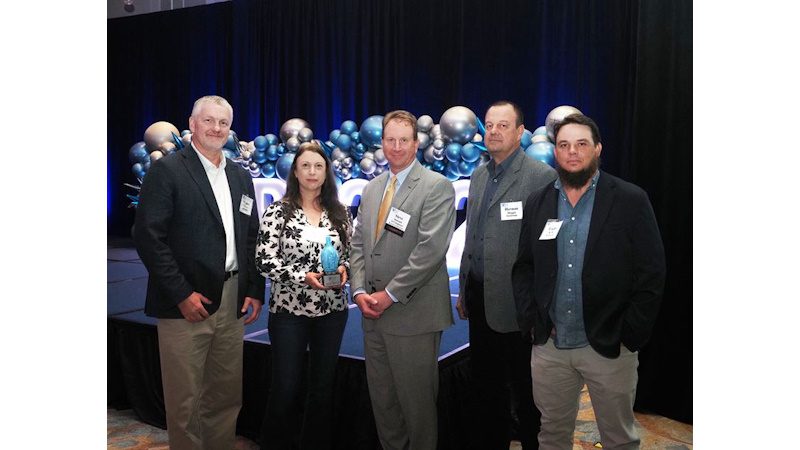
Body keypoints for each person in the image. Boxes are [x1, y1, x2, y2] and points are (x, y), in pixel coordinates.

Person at [511, 113, 666, 450]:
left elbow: (651, 272)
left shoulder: (630, 200)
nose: (572, 152)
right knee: (551, 436)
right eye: (564, 145)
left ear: (597, 148)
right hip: (550, 347)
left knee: (619, 439)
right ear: (555, 151)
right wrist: (532, 321)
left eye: (581, 144)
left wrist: (630, 333)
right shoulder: (538, 201)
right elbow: (524, 267)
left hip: (609, 346)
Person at [133, 95, 265, 450]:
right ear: (192, 124)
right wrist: (180, 294)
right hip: (186, 302)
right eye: (208, 120)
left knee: (225, 395)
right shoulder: (168, 171)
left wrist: (254, 289)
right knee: (185, 401)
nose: (216, 128)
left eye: (223, 123)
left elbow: (250, 236)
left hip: (233, 300)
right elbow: (148, 237)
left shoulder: (240, 176)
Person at [350, 110, 455, 450]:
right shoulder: (371, 189)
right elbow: (358, 245)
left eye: (404, 140)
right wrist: (359, 290)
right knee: (384, 404)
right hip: (372, 316)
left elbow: (430, 250)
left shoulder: (436, 186)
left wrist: (390, 294)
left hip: (413, 316)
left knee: (417, 408)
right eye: (390, 140)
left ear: (416, 143)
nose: (396, 147)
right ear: (381, 143)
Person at [456, 100, 557, 449]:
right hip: (479, 299)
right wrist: (464, 287)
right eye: (489, 125)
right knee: (487, 387)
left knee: (526, 391)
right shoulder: (479, 175)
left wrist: (541, 305)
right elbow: (472, 236)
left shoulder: (540, 176)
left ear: (519, 132)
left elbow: (548, 247)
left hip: (519, 306)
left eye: (503, 125)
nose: (494, 131)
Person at [256, 141, 352, 450]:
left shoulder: (340, 213)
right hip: (289, 313)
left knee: (322, 390)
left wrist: (346, 269)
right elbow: (264, 260)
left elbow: (351, 255)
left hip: (332, 312)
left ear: (327, 172)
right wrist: (302, 277)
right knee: (285, 388)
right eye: (305, 166)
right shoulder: (277, 212)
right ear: (295, 172)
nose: (312, 172)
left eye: (318, 166)